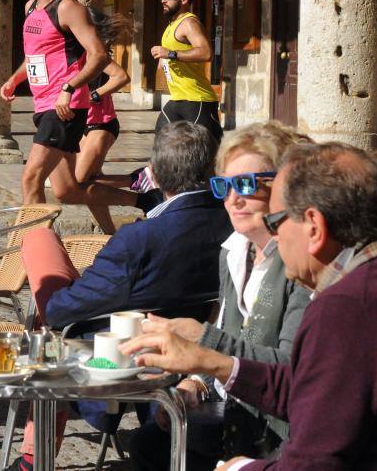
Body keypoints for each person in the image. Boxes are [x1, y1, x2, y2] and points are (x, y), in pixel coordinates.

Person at [122, 142, 377, 470]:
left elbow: (313, 462)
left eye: (275, 222)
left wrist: (237, 469)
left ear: (313, 227)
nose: (275, 237)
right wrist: (209, 364)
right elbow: (310, 390)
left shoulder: (347, 306)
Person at [6, 121, 234, 471]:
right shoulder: (232, 224)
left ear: (154, 176)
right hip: (196, 330)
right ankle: (32, 457)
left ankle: (32, 459)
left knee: (40, 251)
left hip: (124, 349)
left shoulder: (139, 239)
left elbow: (62, 310)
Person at [129, 121, 314, 470]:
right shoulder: (233, 250)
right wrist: (196, 383)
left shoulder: (302, 264)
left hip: (279, 432)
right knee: (147, 443)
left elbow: (287, 370)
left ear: (286, 188)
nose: (233, 198)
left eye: (246, 184)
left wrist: (202, 340)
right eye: (223, 186)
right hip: (231, 418)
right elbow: (232, 337)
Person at [0, 0, 161, 214]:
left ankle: (33, 247)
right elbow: (34, 55)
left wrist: (69, 87)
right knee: (67, 191)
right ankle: (148, 201)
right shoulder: (30, 7)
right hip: (44, 105)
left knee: (31, 179)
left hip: (65, 106)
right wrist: (14, 80)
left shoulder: (68, 8)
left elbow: (98, 55)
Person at [75, 8, 132, 234]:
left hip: (102, 123)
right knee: (89, 185)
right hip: (84, 125)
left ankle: (137, 182)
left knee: (79, 181)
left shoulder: (95, 54)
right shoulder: (76, 52)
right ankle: (110, 234)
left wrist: (95, 95)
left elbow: (121, 77)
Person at [151, 0, 222, 142]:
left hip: (198, 101)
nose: (163, 1)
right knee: (162, 146)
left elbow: (206, 53)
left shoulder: (189, 22)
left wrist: (171, 54)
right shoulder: (171, 25)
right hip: (177, 99)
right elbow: (167, 59)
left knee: (207, 154)